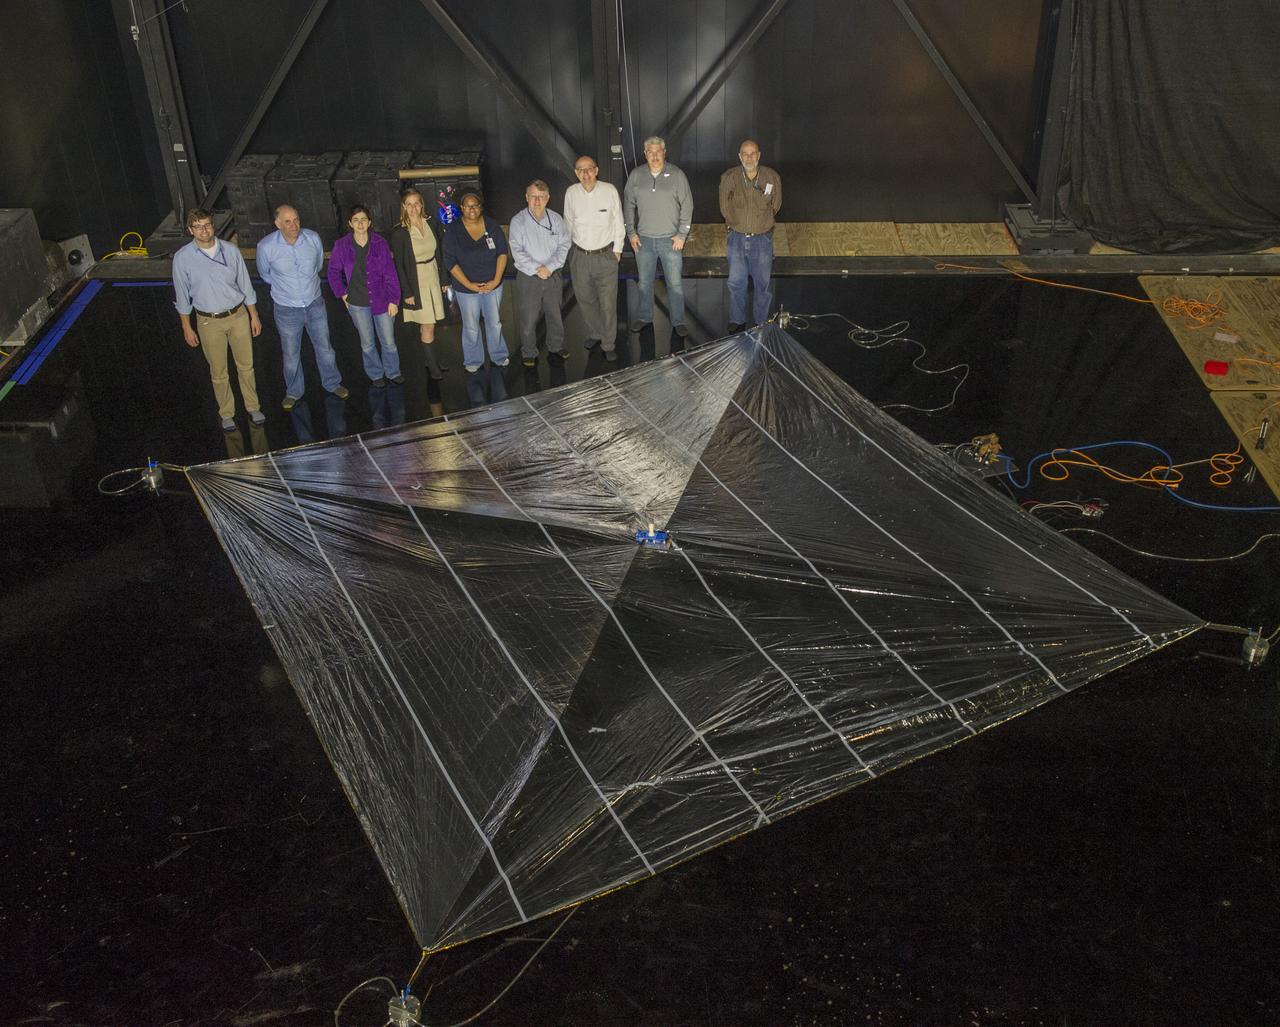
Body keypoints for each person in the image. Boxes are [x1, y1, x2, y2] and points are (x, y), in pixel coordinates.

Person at [172, 208, 264, 431]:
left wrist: (254, 315)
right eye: (198, 226)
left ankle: (253, 407)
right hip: (208, 321)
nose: (204, 230)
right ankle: (227, 413)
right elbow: (182, 295)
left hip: (238, 315)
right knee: (219, 371)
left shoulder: (230, 251)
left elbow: (245, 284)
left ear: (213, 225)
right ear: (190, 230)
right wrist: (187, 327)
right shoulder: (183, 258)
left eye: (207, 225)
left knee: (246, 365)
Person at [256, 204, 348, 409]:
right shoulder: (266, 246)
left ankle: (332, 383)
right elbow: (265, 274)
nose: (293, 225)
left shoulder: (312, 239)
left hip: (314, 304)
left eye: (296, 219)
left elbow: (317, 266)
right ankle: (294, 392)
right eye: (287, 221)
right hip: (287, 309)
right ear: (277, 223)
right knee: (291, 353)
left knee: (325, 348)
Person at [441, 191, 510, 405]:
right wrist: (469, 284)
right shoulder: (452, 231)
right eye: (467, 206)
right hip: (465, 288)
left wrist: (496, 279)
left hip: (493, 285)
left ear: (481, 206)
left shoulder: (492, 225)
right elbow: (450, 261)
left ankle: (498, 356)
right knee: (471, 326)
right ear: (461, 208)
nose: (472, 209)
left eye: (475, 205)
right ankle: (473, 360)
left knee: (494, 323)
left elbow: (502, 253)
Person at [623, 135, 693, 338]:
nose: (654, 155)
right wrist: (631, 233)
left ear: (664, 152)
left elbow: (687, 205)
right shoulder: (636, 176)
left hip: (671, 241)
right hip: (643, 241)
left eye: (658, 151)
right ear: (645, 154)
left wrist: (682, 234)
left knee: (675, 284)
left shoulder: (677, 175)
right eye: (650, 152)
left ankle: (678, 321)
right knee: (644, 282)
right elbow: (628, 204)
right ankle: (645, 317)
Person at [327, 205, 402, 387]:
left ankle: (393, 372)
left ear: (369, 223)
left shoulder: (380, 243)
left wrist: (394, 300)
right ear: (350, 224)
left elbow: (391, 274)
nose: (360, 224)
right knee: (367, 343)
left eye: (363, 220)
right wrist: (342, 294)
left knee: (389, 341)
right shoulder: (342, 245)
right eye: (356, 220)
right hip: (358, 303)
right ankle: (376, 374)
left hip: (382, 300)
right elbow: (333, 272)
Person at [563, 155, 625, 362]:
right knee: (585, 301)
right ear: (576, 173)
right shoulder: (571, 194)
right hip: (580, 257)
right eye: (581, 170)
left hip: (606, 256)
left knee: (608, 304)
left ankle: (608, 343)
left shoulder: (609, 191)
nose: (586, 174)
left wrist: (617, 250)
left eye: (589, 169)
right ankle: (596, 333)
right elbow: (568, 223)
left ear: (596, 170)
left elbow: (618, 221)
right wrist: (569, 253)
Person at [719, 139, 782, 332]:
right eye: (745, 154)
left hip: (762, 239)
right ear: (739, 156)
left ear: (759, 155)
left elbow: (776, 205)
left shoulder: (771, 177)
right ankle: (737, 319)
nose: (749, 157)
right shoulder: (729, 177)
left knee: (762, 284)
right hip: (736, 239)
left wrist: (761, 224)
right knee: (736, 282)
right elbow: (724, 206)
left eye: (753, 153)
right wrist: (736, 224)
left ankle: (761, 321)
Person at [389, 188, 450, 388]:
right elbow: (399, 264)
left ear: (421, 204)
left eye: (417, 203)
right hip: (417, 282)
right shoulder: (400, 232)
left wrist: (443, 279)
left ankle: (431, 358)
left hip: (432, 275)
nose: (414, 208)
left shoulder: (431, 223)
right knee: (427, 325)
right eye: (409, 204)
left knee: (433, 322)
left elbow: (439, 252)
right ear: (403, 207)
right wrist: (407, 293)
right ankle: (432, 366)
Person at [508, 179, 571, 369]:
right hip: (529, 277)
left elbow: (564, 245)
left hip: (553, 275)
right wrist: (537, 268)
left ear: (548, 198)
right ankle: (529, 352)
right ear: (526, 197)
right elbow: (516, 251)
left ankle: (556, 346)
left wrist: (549, 267)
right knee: (528, 319)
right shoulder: (518, 221)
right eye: (533, 196)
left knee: (555, 315)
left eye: (541, 197)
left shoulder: (557, 219)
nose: (537, 201)